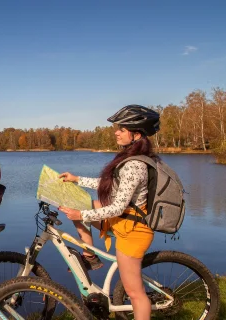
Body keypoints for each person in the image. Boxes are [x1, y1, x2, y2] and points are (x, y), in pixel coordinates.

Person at [57, 105, 161, 320]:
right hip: (123, 222)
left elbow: (118, 206)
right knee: (84, 202)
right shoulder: (130, 159)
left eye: (122, 129)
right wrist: (77, 180)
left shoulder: (134, 165)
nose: (116, 132)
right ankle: (90, 255)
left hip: (133, 232)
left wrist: (81, 216)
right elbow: (109, 186)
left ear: (136, 134)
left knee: (135, 293)